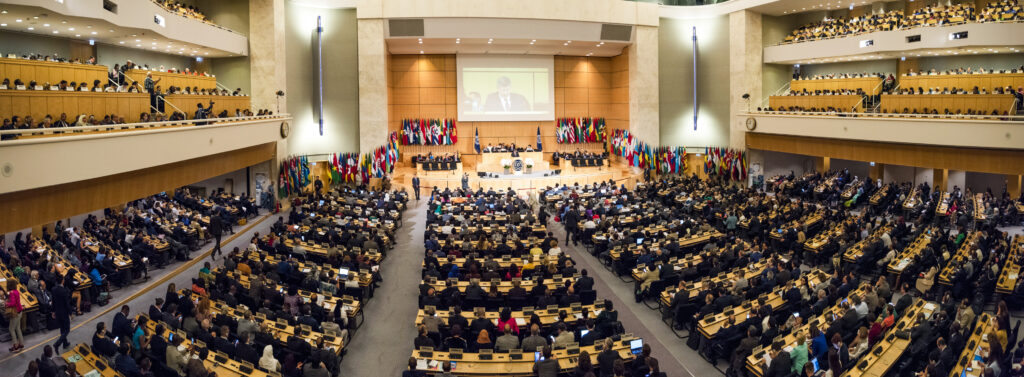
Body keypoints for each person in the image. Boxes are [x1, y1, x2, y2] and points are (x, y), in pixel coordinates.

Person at [51, 276, 73, 351]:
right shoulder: (64, 291)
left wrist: (53, 311)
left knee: (62, 329)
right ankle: (57, 343)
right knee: (67, 330)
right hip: (64, 312)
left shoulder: (53, 289)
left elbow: (53, 301)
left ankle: (65, 343)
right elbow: (67, 303)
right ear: (63, 281)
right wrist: (70, 313)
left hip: (57, 312)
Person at [7, 280, 25, 352]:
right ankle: (21, 344)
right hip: (20, 312)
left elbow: (13, 303)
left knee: (11, 329)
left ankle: (16, 346)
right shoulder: (16, 291)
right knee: (18, 328)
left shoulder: (11, 293)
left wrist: (7, 304)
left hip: (15, 313)